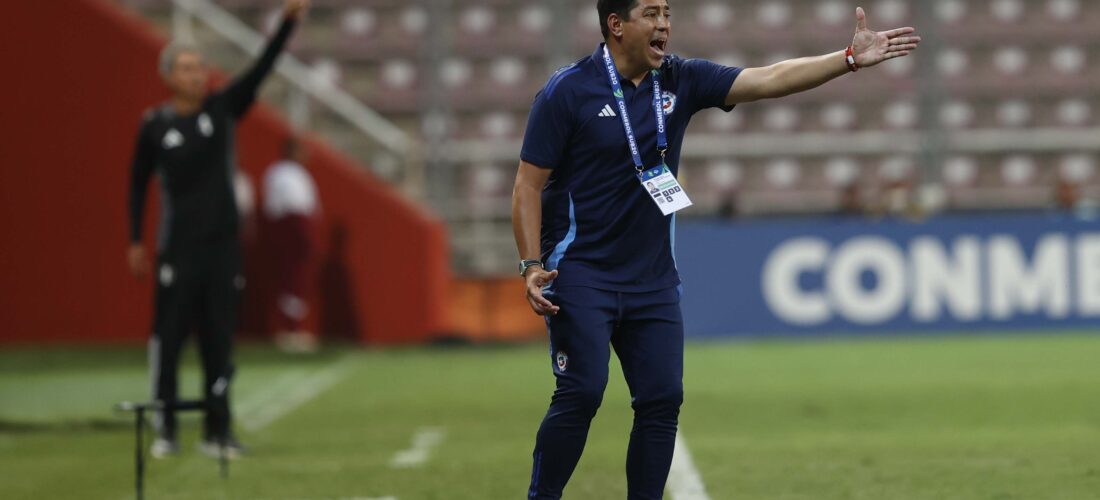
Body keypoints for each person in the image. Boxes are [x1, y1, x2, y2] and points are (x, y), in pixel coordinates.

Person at [511, 1, 920, 498]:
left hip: (653, 278)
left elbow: (768, 78)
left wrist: (848, 58)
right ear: (616, 25)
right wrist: (531, 264)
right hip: (580, 273)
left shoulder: (679, 79)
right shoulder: (566, 91)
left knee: (662, 400)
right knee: (582, 391)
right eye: (650, 12)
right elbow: (528, 186)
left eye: (667, 11)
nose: (664, 23)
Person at [126, 0, 309, 459]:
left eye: (199, 67)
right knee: (168, 339)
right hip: (177, 248)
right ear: (168, 75)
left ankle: (218, 429)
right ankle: (165, 426)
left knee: (219, 340)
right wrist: (134, 240)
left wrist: (286, 24)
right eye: (186, 68)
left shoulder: (223, 108)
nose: (196, 75)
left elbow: (260, 70)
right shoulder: (155, 126)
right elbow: (136, 183)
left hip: (223, 249)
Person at [263, 136, 321, 353]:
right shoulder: (281, 173)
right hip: (291, 231)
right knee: (291, 279)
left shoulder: (297, 173)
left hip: (299, 230)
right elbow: (287, 208)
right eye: (301, 151)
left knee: (299, 280)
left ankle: (294, 328)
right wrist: (301, 234)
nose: (305, 155)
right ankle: (289, 330)